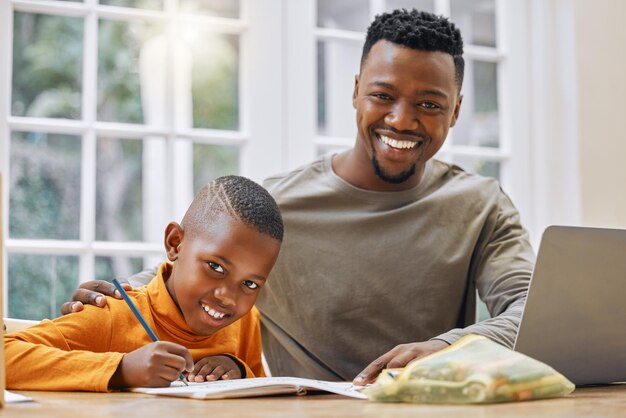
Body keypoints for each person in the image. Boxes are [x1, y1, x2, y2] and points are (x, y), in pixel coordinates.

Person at [61, 9, 534, 386]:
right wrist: (118, 299)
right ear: (355, 92)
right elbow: (189, 273)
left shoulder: (482, 205)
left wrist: (445, 347)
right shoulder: (280, 206)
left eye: (429, 104)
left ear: (455, 111)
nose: (402, 120)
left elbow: (531, 310)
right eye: (382, 95)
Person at [6, 175, 284, 391]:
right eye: (216, 267)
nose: (228, 298)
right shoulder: (114, 314)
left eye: (249, 284)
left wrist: (238, 370)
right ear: (175, 243)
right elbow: (6, 355)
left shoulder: (244, 322)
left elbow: (257, 395)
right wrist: (122, 370)